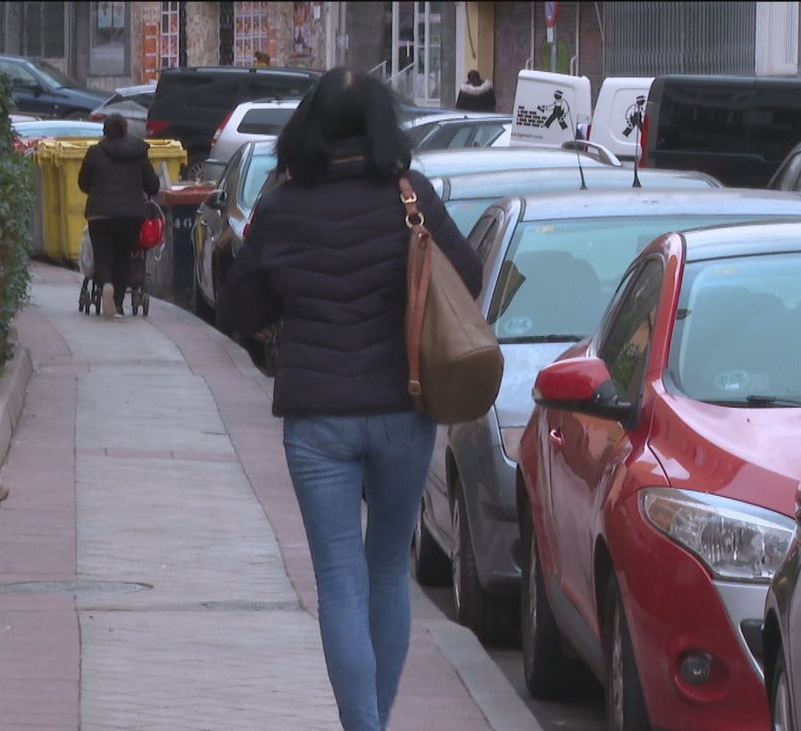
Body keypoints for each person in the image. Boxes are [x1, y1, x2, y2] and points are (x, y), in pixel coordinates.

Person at [218, 68, 482, 731]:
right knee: (388, 567)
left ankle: (361, 724)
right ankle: (375, 723)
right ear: (378, 125)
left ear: (309, 127)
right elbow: (467, 277)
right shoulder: (409, 196)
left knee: (339, 577)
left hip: (317, 420)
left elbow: (242, 310)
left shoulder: (280, 206)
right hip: (404, 408)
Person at [78, 113, 160, 318]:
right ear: (126, 130)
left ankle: (106, 285)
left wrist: (95, 190)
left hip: (100, 214)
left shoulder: (94, 153)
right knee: (124, 257)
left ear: (105, 131)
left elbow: (83, 183)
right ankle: (117, 303)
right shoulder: (139, 152)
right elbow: (152, 185)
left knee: (103, 256)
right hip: (131, 215)